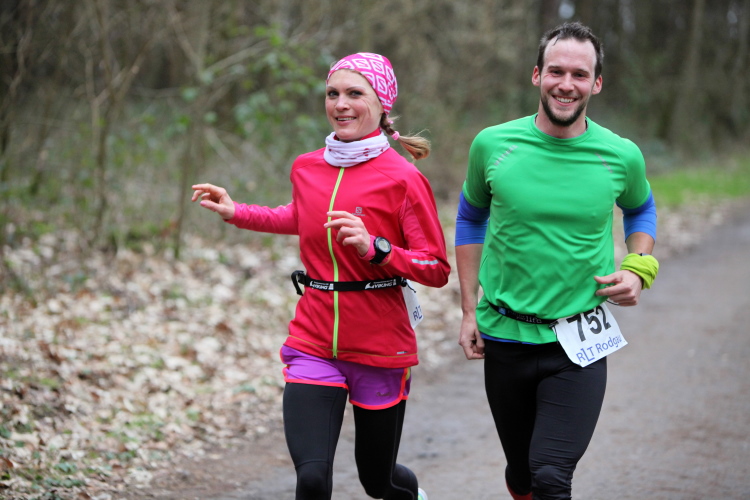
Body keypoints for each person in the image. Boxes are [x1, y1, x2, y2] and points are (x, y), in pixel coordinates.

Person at [192, 52, 448, 500]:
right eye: (333, 93)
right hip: (313, 341)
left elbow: (436, 267)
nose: (341, 104)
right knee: (311, 480)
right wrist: (237, 212)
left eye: (354, 93)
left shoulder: (404, 178)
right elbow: (299, 217)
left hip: (380, 348)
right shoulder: (307, 166)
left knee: (379, 482)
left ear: (382, 103)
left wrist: (377, 249)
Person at [455, 22, 659, 500]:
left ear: (596, 83)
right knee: (523, 474)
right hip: (505, 333)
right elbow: (470, 218)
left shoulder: (620, 155)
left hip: (579, 339)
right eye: (556, 71)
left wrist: (639, 266)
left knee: (551, 475)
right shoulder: (492, 145)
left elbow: (641, 208)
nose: (567, 84)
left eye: (580, 74)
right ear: (537, 75)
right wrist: (467, 309)